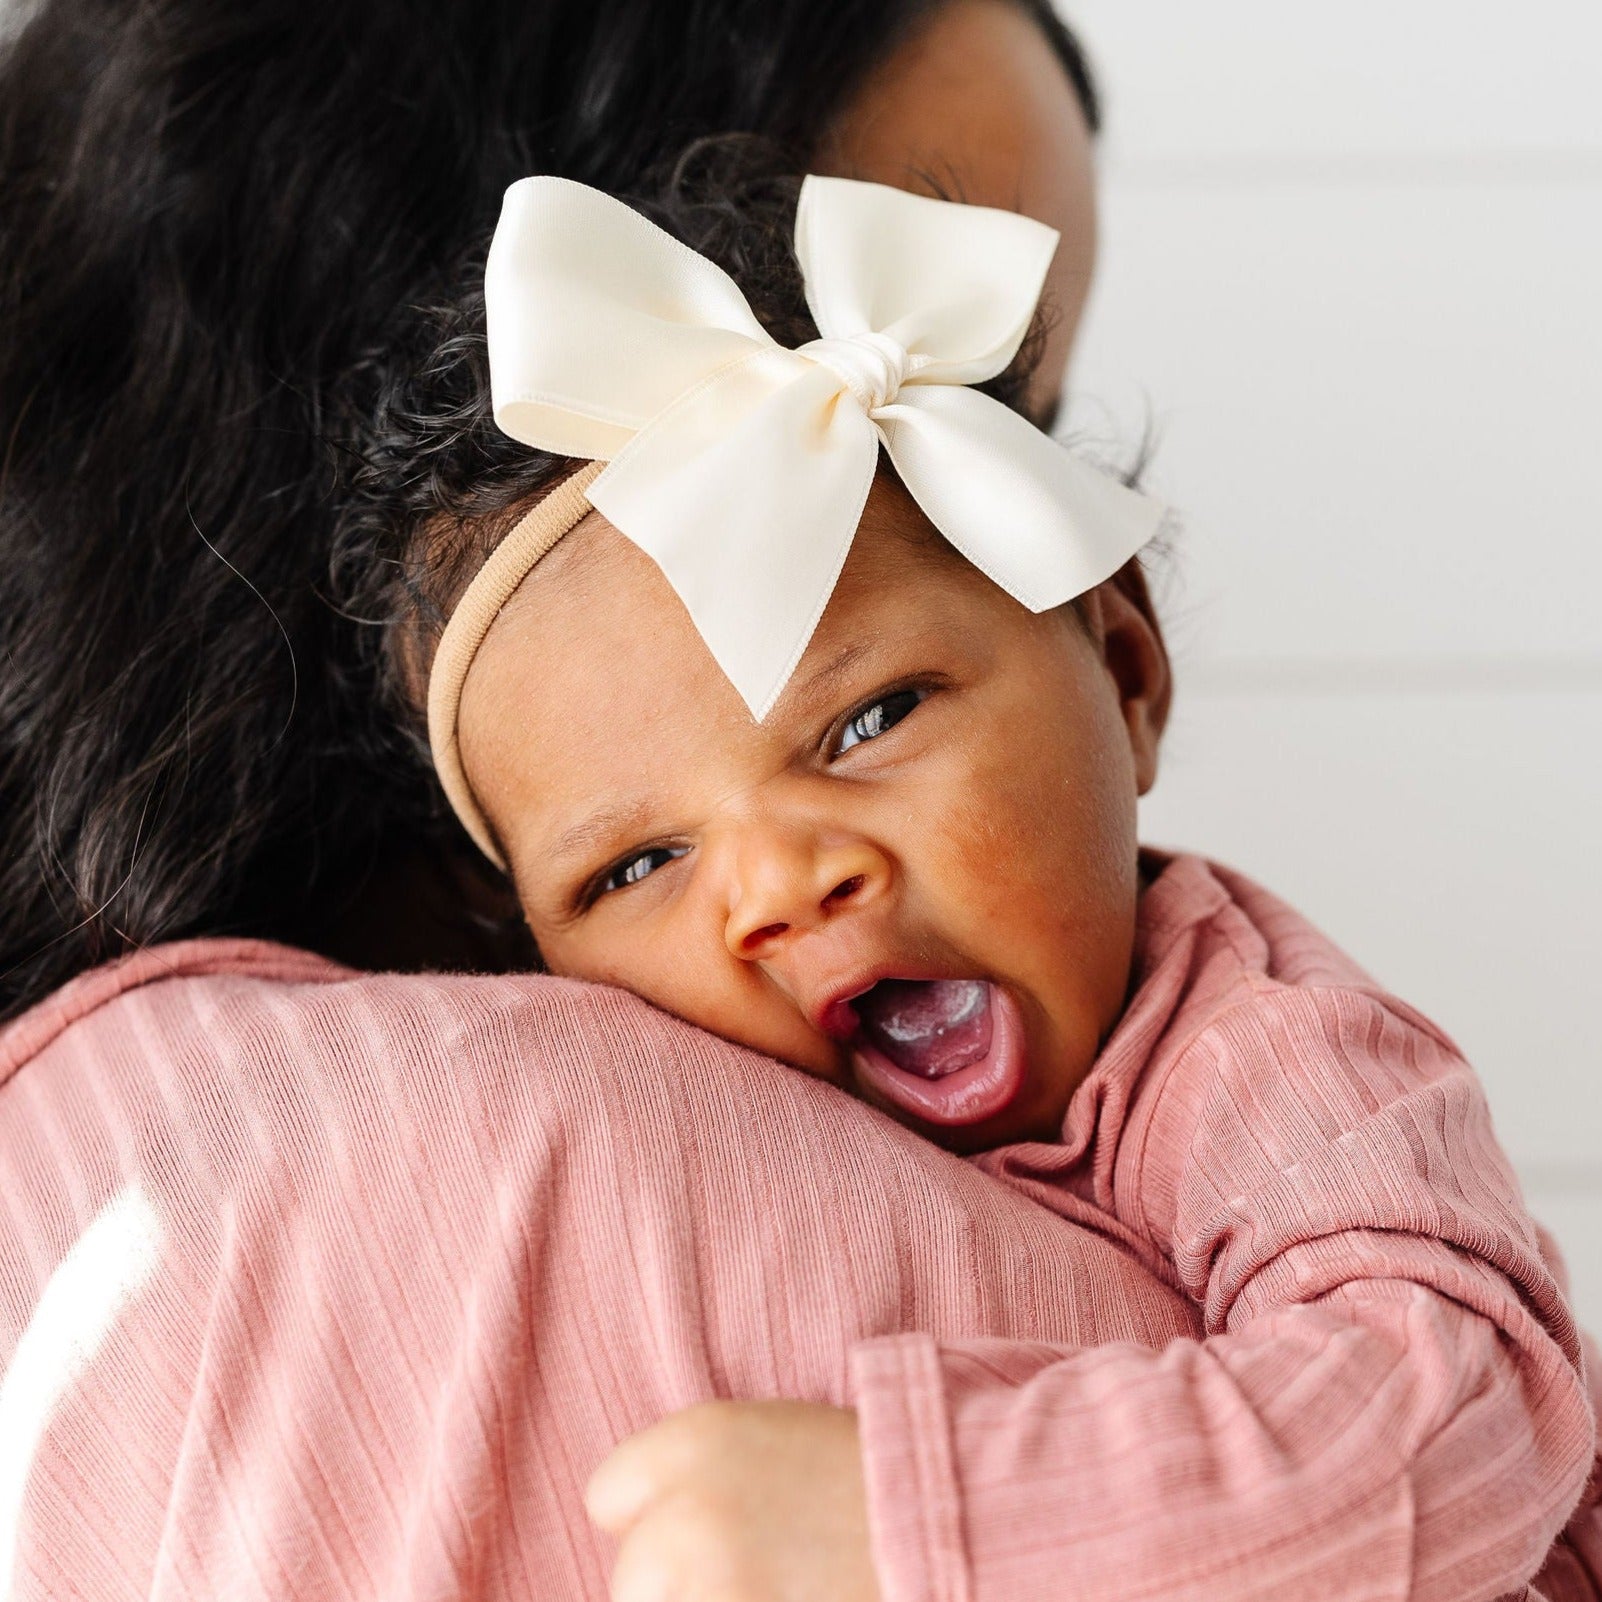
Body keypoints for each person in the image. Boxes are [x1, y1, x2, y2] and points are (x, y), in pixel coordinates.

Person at [360, 160, 1602, 1599]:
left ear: (1123, 668)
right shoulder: (685, 1156)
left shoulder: (1255, 1050)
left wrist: (911, 1517)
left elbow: (1457, 1411)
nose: (777, 883)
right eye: (638, 861)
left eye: (867, 720)